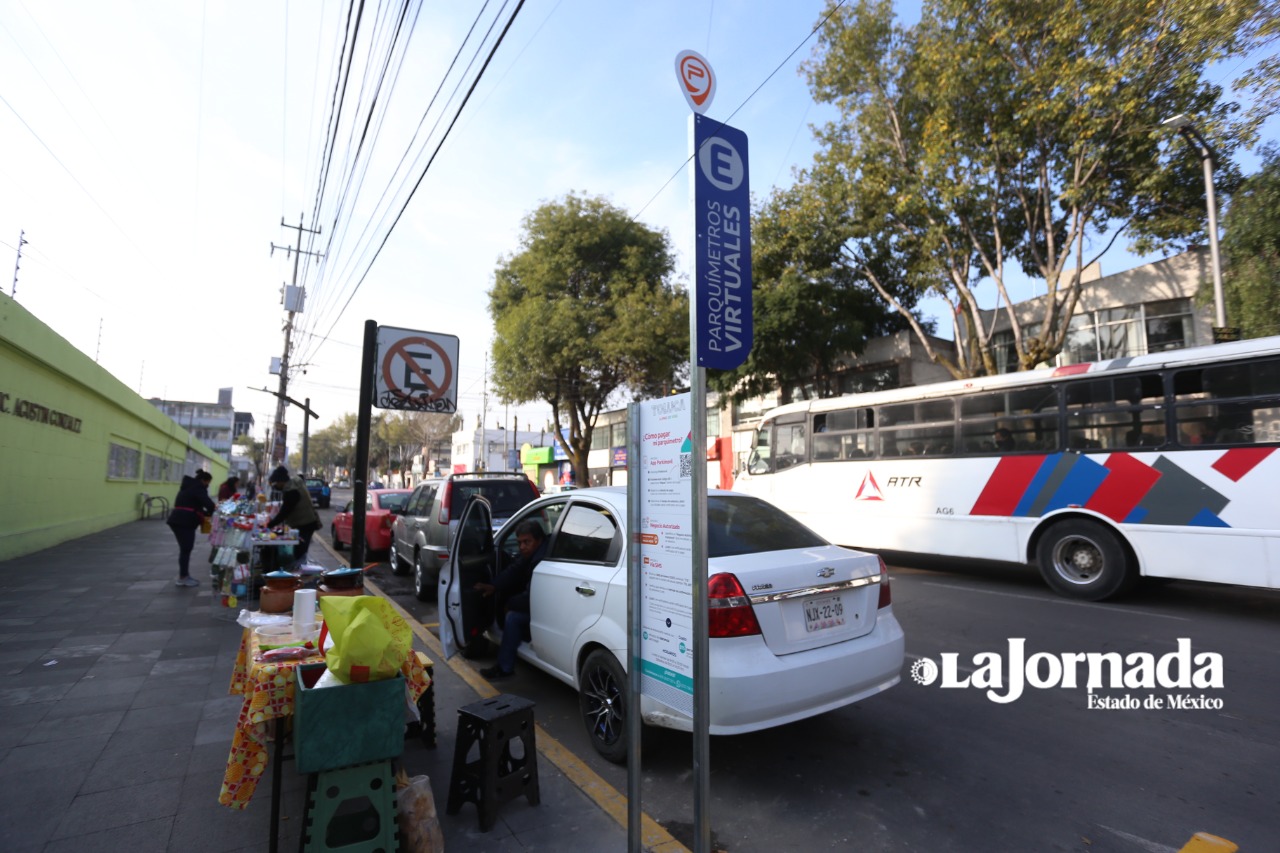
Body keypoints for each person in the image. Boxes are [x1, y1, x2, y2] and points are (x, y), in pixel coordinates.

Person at [475, 520, 547, 680]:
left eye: (526, 542)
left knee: (513, 618)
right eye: (519, 542)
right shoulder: (534, 553)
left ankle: (504, 668)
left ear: (539, 540)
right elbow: (514, 570)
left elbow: (532, 598)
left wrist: (510, 604)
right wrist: (493, 586)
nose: (522, 547)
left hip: (547, 611)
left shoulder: (540, 560)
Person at [265, 465, 322, 567]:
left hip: (305, 524)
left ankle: (296, 576)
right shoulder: (295, 482)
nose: (276, 485)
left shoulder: (291, 491)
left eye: (276, 483)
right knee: (300, 552)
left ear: (281, 481)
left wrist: (270, 524)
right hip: (307, 522)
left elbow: (284, 512)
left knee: (298, 553)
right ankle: (296, 571)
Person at [168, 470, 215, 587]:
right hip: (184, 522)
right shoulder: (198, 488)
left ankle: (184, 576)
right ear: (204, 480)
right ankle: (183, 577)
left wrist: (205, 513)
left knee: (185, 549)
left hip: (179, 519)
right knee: (186, 549)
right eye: (208, 483)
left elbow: (193, 505)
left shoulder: (189, 486)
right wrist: (214, 511)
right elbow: (208, 503)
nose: (208, 486)